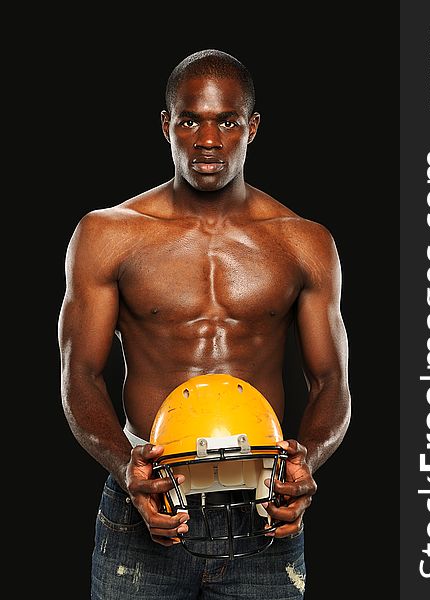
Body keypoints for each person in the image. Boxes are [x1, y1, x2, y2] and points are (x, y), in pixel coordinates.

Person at [58, 48, 351, 599]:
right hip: (147, 495)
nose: (208, 140)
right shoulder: (108, 235)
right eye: (190, 120)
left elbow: (332, 384)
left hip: (263, 504)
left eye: (227, 121)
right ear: (166, 124)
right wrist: (126, 469)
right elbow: (80, 377)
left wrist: (304, 462)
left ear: (252, 127)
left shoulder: (303, 243)